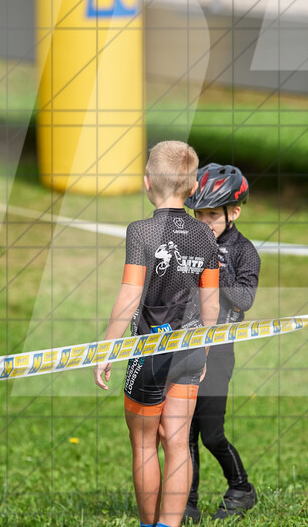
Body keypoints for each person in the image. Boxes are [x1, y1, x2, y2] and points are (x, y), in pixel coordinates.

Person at [94, 141, 221, 527]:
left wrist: (106, 348)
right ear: (194, 185)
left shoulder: (141, 232)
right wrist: (205, 349)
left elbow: (131, 296)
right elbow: (211, 305)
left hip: (150, 352)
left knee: (145, 443)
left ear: (147, 183)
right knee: (179, 443)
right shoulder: (205, 236)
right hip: (190, 349)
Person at [183, 163, 260, 521]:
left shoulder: (245, 251)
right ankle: (188, 503)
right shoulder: (191, 243)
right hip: (185, 348)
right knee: (184, 433)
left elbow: (244, 299)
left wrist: (215, 263)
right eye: (198, 215)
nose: (204, 222)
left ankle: (241, 488)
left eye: (212, 215)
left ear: (235, 211)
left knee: (211, 433)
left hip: (219, 352)